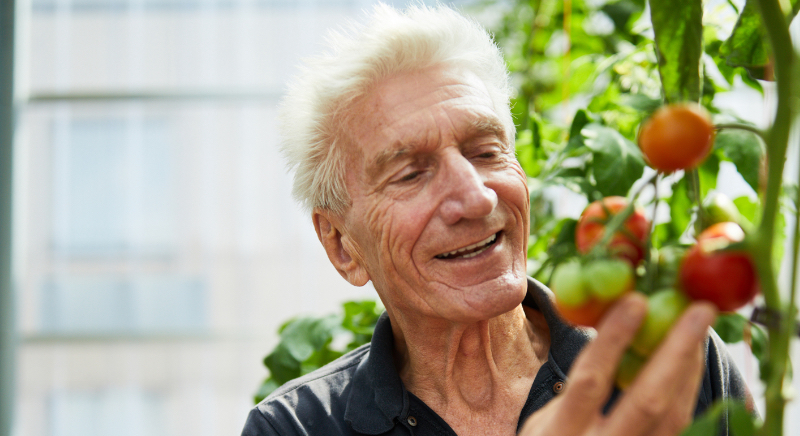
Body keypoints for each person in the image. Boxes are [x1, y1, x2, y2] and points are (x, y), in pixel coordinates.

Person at [242, 4, 751, 435]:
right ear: (341, 245)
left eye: (486, 151)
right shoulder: (298, 426)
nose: (477, 198)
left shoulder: (673, 361)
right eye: (411, 174)